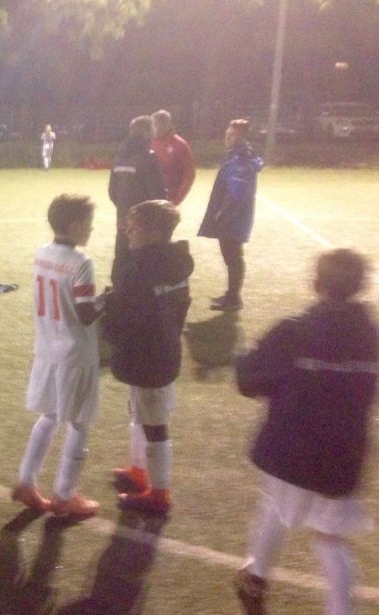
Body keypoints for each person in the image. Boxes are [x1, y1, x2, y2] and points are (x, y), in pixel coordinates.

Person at [234, 249, 379, 615]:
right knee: (332, 542)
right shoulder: (370, 333)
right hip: (342, 455)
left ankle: (257, 575)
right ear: (361, 286)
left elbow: (249, 380)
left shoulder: (295, 330)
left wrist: (240, 356)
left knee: (273, 506)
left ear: (316, 284)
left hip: (292, 450)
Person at [12, 194, 105, 519]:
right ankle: (64, 497)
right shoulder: (81, 263)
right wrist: (108, 300)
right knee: (79, 423)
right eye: (89, 224)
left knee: (50, 415)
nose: (91, 229)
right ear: (75, 226)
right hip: (76, 355)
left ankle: (26, 481)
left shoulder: (42, 253)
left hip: (47, 349)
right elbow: (85, 313)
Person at [104, 200, 193, 515]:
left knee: (154, 424)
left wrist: (105, 315)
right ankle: (138, 470)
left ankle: (159, 493)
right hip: (164, 349)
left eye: (135, 226)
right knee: (139, 412)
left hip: (146, 355)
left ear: (154, 232)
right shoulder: (176, 262)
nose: (128, 231)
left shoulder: (140, 268)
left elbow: (126, 316)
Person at [198, 119, 264, 312]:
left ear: (242, 138)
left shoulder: (241, 160)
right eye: (227, 134)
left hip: (233, 219)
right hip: (232, 217)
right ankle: (231, 295)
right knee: (232, 257)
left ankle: (234, 299)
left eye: (232, 135)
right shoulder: (236, 156)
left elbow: (236, 195)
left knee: (233, 258)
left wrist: (221, 217)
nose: (227, 137)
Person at [108, 115, 167, 284]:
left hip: (123, 218)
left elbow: (112, 191)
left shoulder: (119, 156)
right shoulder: (149, 157)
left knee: (121, 256)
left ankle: (118, 291)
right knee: (143, 260)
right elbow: (159, 192)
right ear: (147, 133)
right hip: (145, 220)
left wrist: (124, 209)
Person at [150, 110, 195, 206]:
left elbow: (189, 174)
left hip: (169, 198)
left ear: (165, 125)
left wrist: (176, 201)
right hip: (149, 197)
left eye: (156, 126)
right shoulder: (147, 142)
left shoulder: (180, 145)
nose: (154, 130)